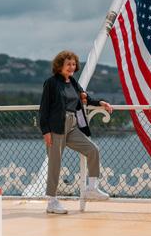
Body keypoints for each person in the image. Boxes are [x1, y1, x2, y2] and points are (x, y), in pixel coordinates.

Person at [39, 50, 113, 214]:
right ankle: (52, 202)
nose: (71, 67)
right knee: (55, 164)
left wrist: (101, 103)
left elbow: (85, 98)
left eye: (73, 64)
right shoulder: (51, 83)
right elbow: (43, 109)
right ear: (60, 66)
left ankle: (91, 188)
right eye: (68, 64)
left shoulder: (72, 82)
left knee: (92, 149)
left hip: (72, 126)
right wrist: (46, 131)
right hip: (56, 128)